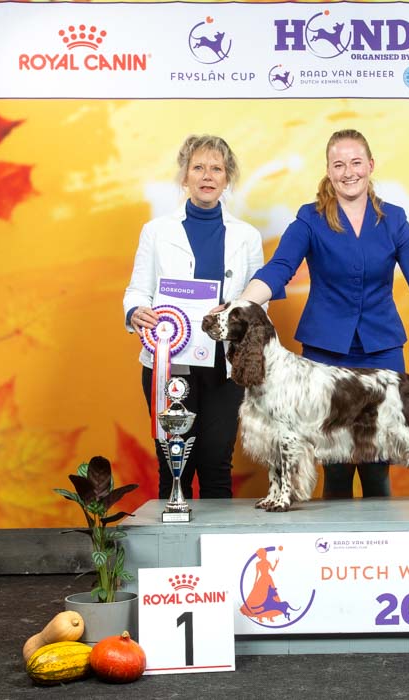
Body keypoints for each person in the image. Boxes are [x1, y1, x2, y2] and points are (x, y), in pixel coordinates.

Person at [238, 128, 409, 499]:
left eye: (356, 162)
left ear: (371, 165)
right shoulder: (310, 219)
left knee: (379, 462)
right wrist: (241, 306)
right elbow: (279, 268)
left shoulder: (394, 220)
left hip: (381, 350)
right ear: (329, 171)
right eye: (339, 165)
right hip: (325, 353)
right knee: (335, 466)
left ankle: (380, 536)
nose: (349, 172)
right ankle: (334, 538)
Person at [123, 134, 264, 500]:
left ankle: (220, 540)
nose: (207, 176)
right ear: (184, 175)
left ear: (227, 177)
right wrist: (136, 311)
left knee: (217, 465)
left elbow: (260, 306)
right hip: (170, 365)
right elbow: (137, 290)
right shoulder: (155, 231)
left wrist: (234, 312)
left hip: (224, 367)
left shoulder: (247, 236)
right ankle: (173, 533)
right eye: (198, 167)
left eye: (216, 168)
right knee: (174, 465)